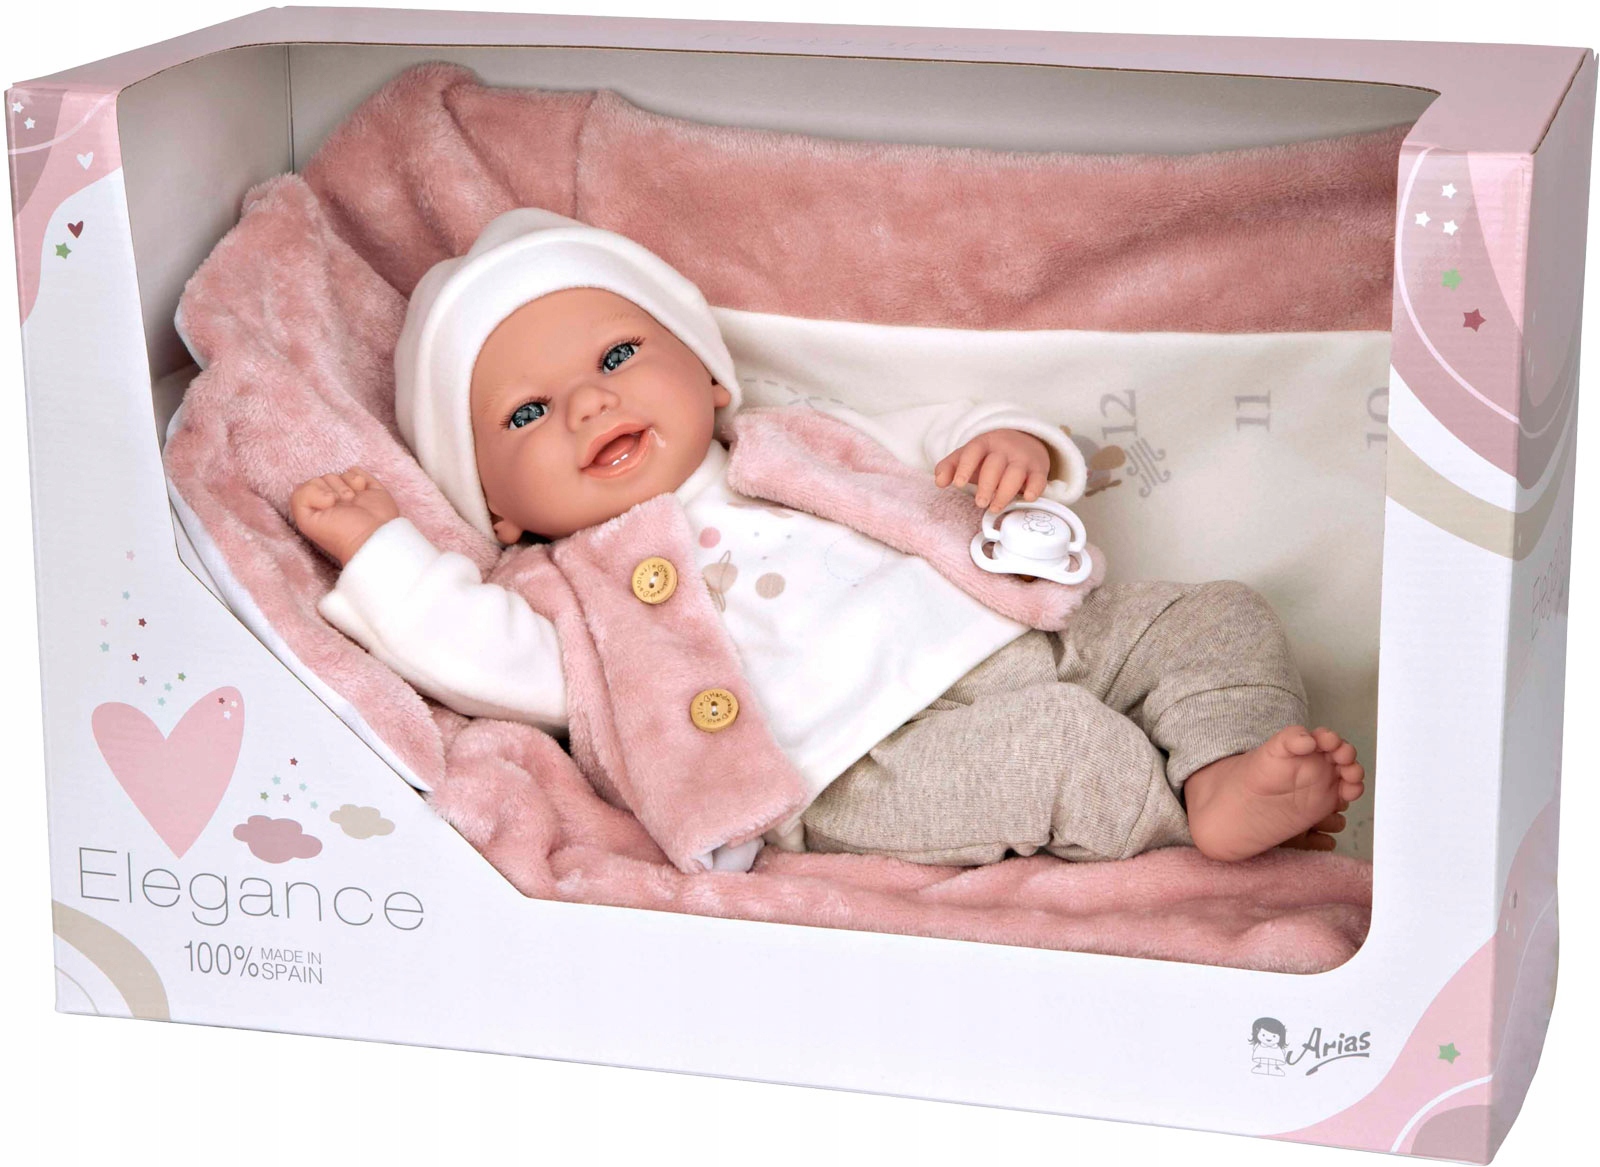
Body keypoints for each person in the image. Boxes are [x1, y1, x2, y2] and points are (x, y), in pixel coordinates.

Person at [291, 209, 1364, 873]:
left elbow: (930, 440)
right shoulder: (569, 590)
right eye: (527, 413)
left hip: (1009, 631)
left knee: (1215, 614)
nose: (587, 404)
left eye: (617, 357)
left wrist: (1009, 445)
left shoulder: (791, 442)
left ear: (710, 378)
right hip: (851, 761)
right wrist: (382, 551)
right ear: (499, 510)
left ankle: (1226, 759)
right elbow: (482, 652)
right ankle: (1202, 823)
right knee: (1064, 751)